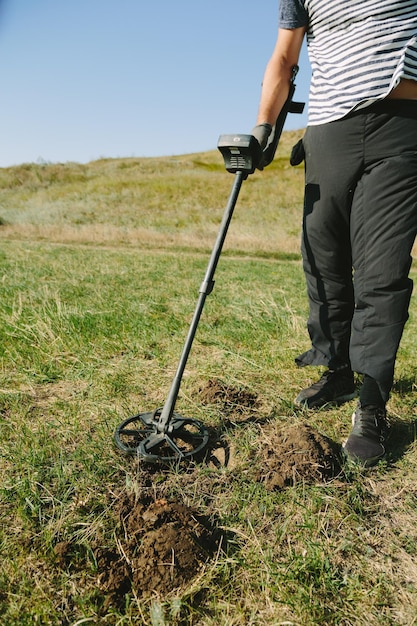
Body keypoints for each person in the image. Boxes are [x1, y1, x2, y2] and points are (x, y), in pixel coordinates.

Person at [252, 0, 417, 466]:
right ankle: (338, 369)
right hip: (327, 130)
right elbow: (285, 57)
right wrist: (264, 125)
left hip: (401, 125)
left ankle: (372, 403)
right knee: (322, 257)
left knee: (382, 268)